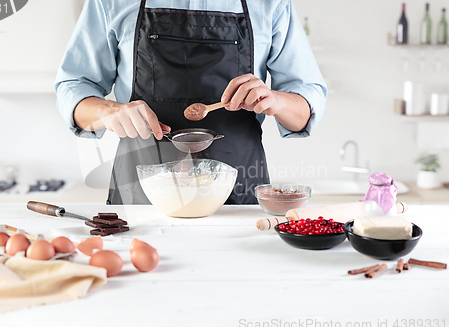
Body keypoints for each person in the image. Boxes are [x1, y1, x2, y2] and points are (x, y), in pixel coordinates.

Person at [55, 0, 327, 205]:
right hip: (142, 199)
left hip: (237, 196)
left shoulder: (269, 3)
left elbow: (305, 107)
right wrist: (107, 110)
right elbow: (73, 86)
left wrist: (276, 100)